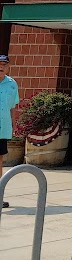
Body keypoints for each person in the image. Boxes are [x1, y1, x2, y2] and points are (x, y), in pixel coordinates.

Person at [0, 54, 20, 209]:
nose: (1, 67)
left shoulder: (12, 84)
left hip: (3, 128)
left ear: (8, 67)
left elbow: (13, 107)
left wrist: (13, 125)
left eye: (4, 65)